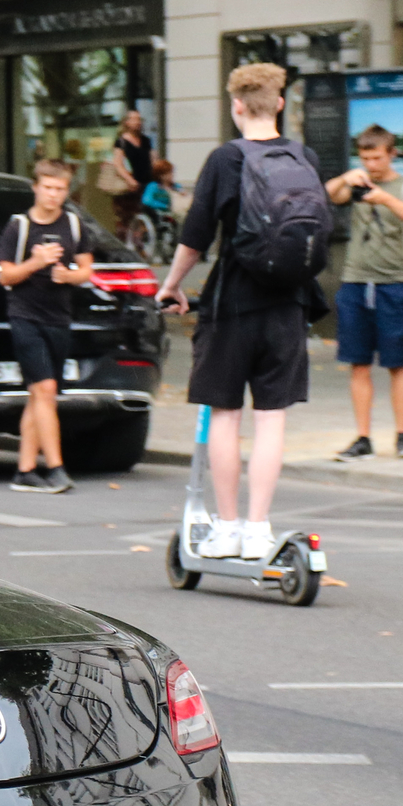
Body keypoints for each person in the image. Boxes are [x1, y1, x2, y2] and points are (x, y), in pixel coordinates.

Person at [158, 62, 328, 559]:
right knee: (272, 420)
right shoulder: (305, 156)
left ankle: (228, 527)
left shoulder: (224, 159)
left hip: (233, 304)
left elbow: (194, 239)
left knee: (226, 416)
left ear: (235, 106)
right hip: (289, 306)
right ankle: (259, 529)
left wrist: (170, 287)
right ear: (279, 103)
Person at [324, 123, 403, 460]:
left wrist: (385, 198)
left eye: (377, 158)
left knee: (398, 363)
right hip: (355, 282)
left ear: (390, 153)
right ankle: (363, 438)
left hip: (394, 284)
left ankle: (402, 436)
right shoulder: (358, 181)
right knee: (358, 364)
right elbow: (329, 194)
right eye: (366, 158)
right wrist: (345, 178)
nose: (372, 164)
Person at [0, 159, 95, 494]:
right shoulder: (18, 227)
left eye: (60, 189)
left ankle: (24, 470)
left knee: (38, 394)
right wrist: (36, 262)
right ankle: (55, 468)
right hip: (25, 316)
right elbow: (5, 275)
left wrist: (67, 275)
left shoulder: (74, 225)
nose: (53, 194)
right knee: (46, 390)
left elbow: (86, 272)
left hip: (59, 318)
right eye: (48, 187)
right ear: (36, 188)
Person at [107, 110, 154, 240]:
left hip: (146, 184)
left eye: (139, 119)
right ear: (127, 122)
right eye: (134, 119)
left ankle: (142, 243)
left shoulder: (146, 141)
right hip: (128, 187)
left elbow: (153, 160)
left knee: (146, 215)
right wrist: (129, 180)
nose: (138, 122)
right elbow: (118, 164)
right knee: (127, 218)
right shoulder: (121, 142)